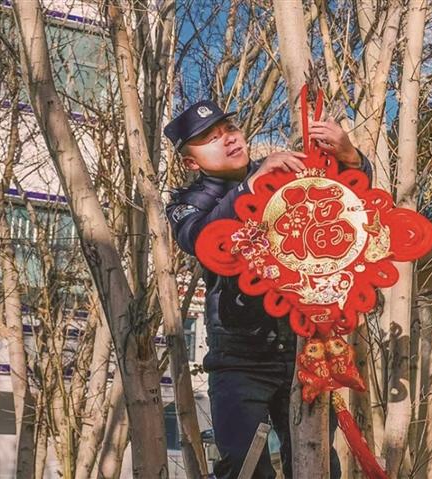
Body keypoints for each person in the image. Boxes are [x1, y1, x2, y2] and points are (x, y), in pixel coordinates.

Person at [164, 100, 372, 479]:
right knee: (243, 465)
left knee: (318, 464)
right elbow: (203, 239)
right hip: (239, 358)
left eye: (229, 129)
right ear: (191, 162)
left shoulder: (282, 171)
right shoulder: (188, 203)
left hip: (304, 349)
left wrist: (351, 158)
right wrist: (252, 186)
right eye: (210, 139)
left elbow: (346, 203)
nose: (228, 140)